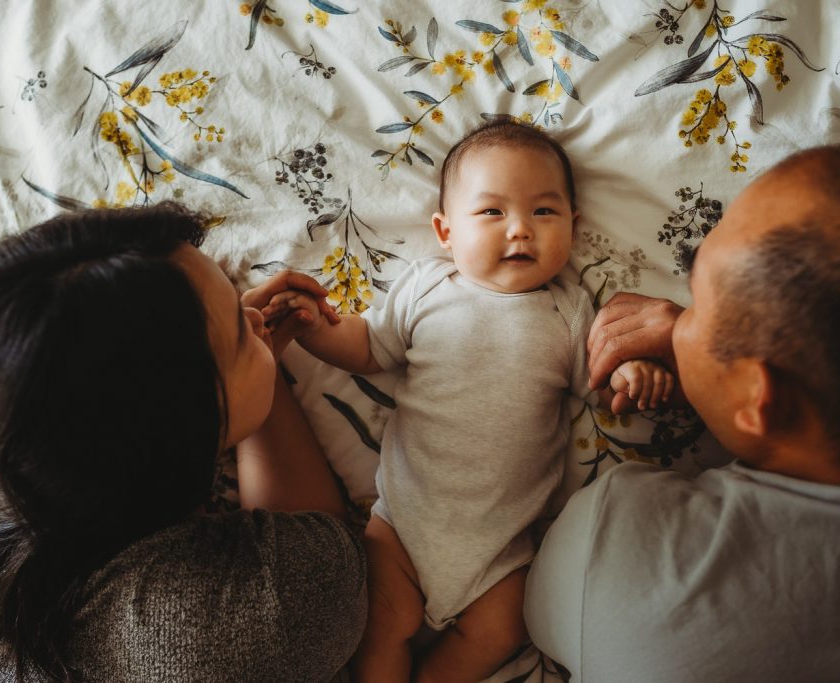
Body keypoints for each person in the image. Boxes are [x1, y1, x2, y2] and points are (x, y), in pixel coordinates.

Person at [524, 145, 840, 681]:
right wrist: (727, 369)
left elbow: (538, 612)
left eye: (697, 302)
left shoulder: (619, 555)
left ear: (762, 400)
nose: (672, 317)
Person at [268, 120, 673, 681]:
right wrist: (314, 329)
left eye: (544, 213)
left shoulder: (571, 310)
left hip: (503, 548)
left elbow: (600, 387)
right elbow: (367, 346)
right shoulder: (429, 286)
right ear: (446, 231)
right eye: (491, 212)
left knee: (503, 629)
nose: (520, 231)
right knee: (381, 623)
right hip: (404, 526)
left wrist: (631, 374)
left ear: (574, 229)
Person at [0, 203, 366, 682]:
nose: (255, 316)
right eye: (238, 337)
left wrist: (240, 365)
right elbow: (317, 553)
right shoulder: (250, 622)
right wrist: (263, 390)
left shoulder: (17, 425)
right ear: (176, 452)